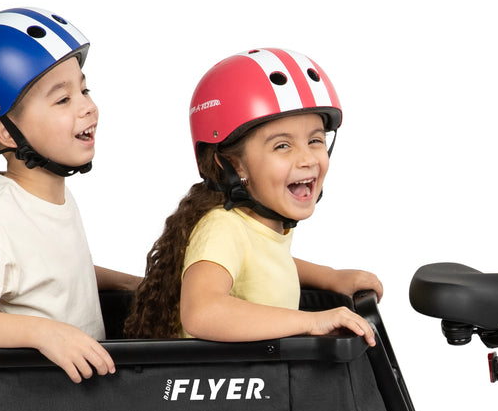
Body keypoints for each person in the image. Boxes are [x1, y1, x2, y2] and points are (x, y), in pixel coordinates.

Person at [0, 7, 141, 382]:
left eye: (84, 90)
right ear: (6, 132)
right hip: (47, 400)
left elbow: (57, 276)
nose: (88, 107)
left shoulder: (49, 199)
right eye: (63, 100)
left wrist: (133, 284)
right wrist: (43, 333)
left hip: (90, 390)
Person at [123, 48, 380, 343]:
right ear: (234, 164)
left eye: (315, 140)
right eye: (282, 146)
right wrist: (312, 322)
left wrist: (330, 277)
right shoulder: (222, 228)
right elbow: (201, 313)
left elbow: (265, 263)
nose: (307, 159)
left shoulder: (257, 228)